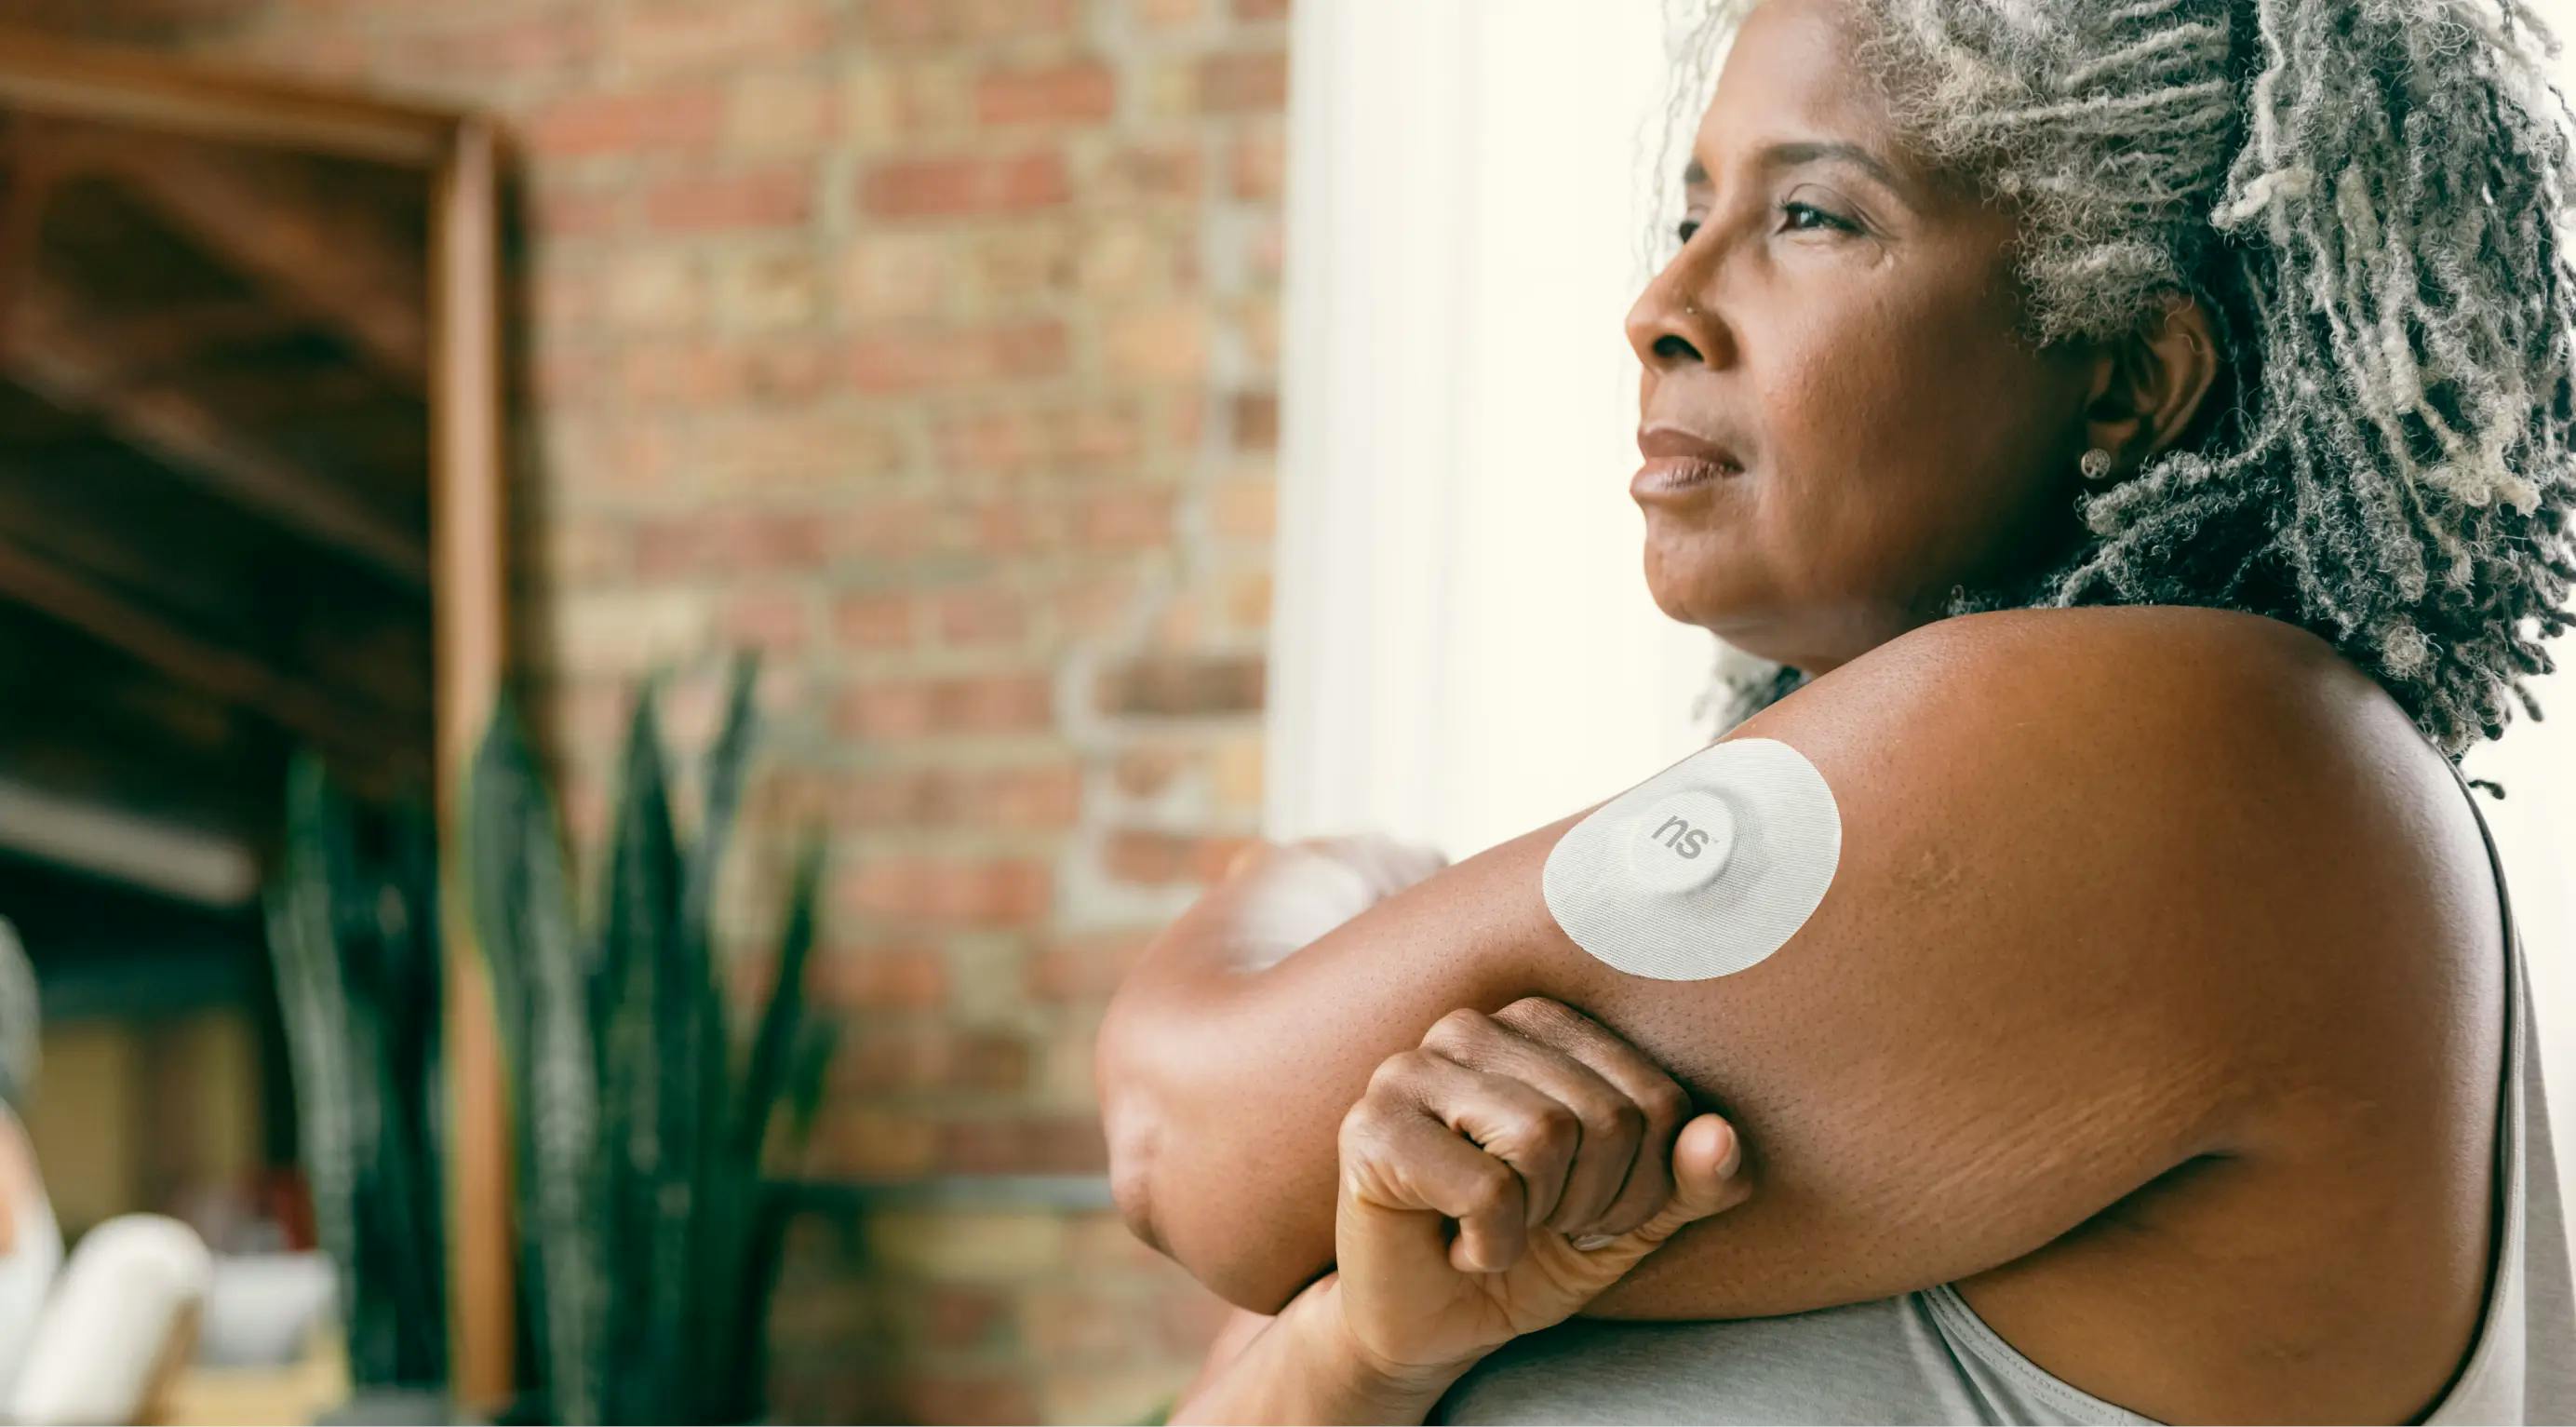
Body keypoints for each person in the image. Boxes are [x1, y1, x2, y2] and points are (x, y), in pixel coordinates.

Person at [1095, 0, 2576, 1420]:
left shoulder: (2218, 758)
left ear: (2127, 376)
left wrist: (1339, 880)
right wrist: (1362, 1348)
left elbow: (1181, 1140)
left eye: (1814, 215)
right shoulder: (1893, 930)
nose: (1660, 310)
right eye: (1693, 221)